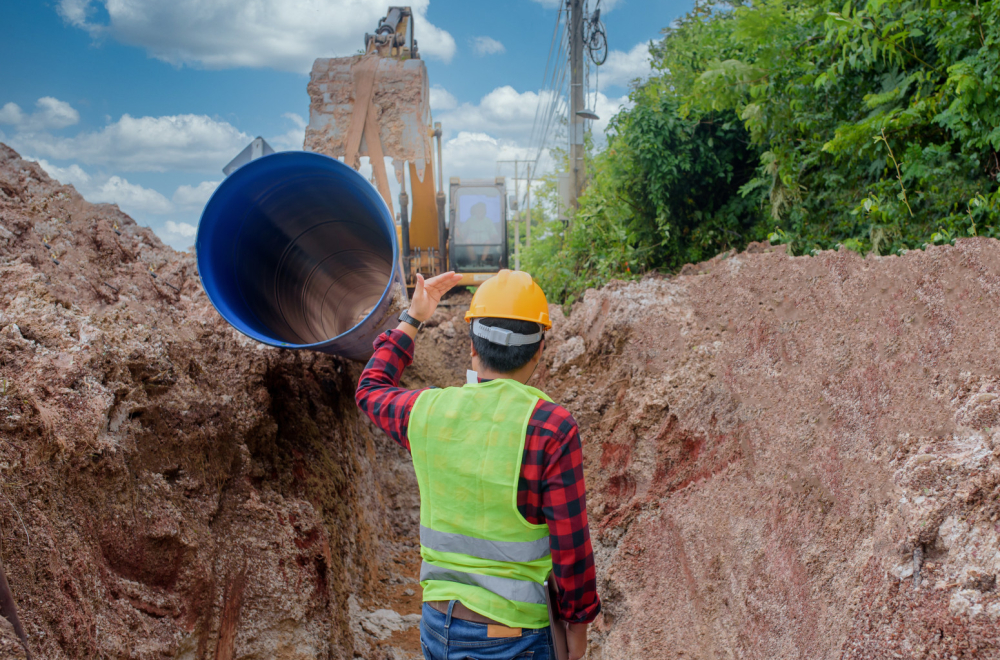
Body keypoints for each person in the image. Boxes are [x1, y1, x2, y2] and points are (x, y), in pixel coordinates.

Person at [356, 269, 600, 660]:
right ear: (538, 351)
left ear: (472, 346)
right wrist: (578, 625)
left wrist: (413, 318)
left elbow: (370, 387)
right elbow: (571, 546)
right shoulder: (550, 428)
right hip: (515, 636)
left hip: (438, 626)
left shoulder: (427, 411)